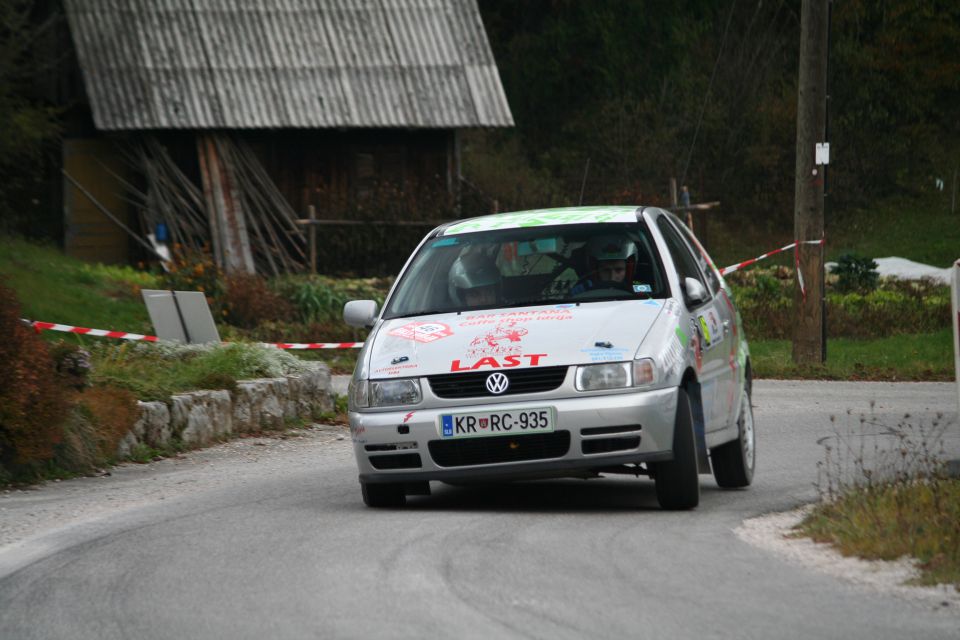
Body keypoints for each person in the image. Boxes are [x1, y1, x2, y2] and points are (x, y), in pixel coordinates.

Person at [570, 236, 637, 294]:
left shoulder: (639, 290)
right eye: (606, 270)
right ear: (596, 271)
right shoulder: (582, 290)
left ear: (628, 270)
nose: (612, 277)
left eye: (618, 270)